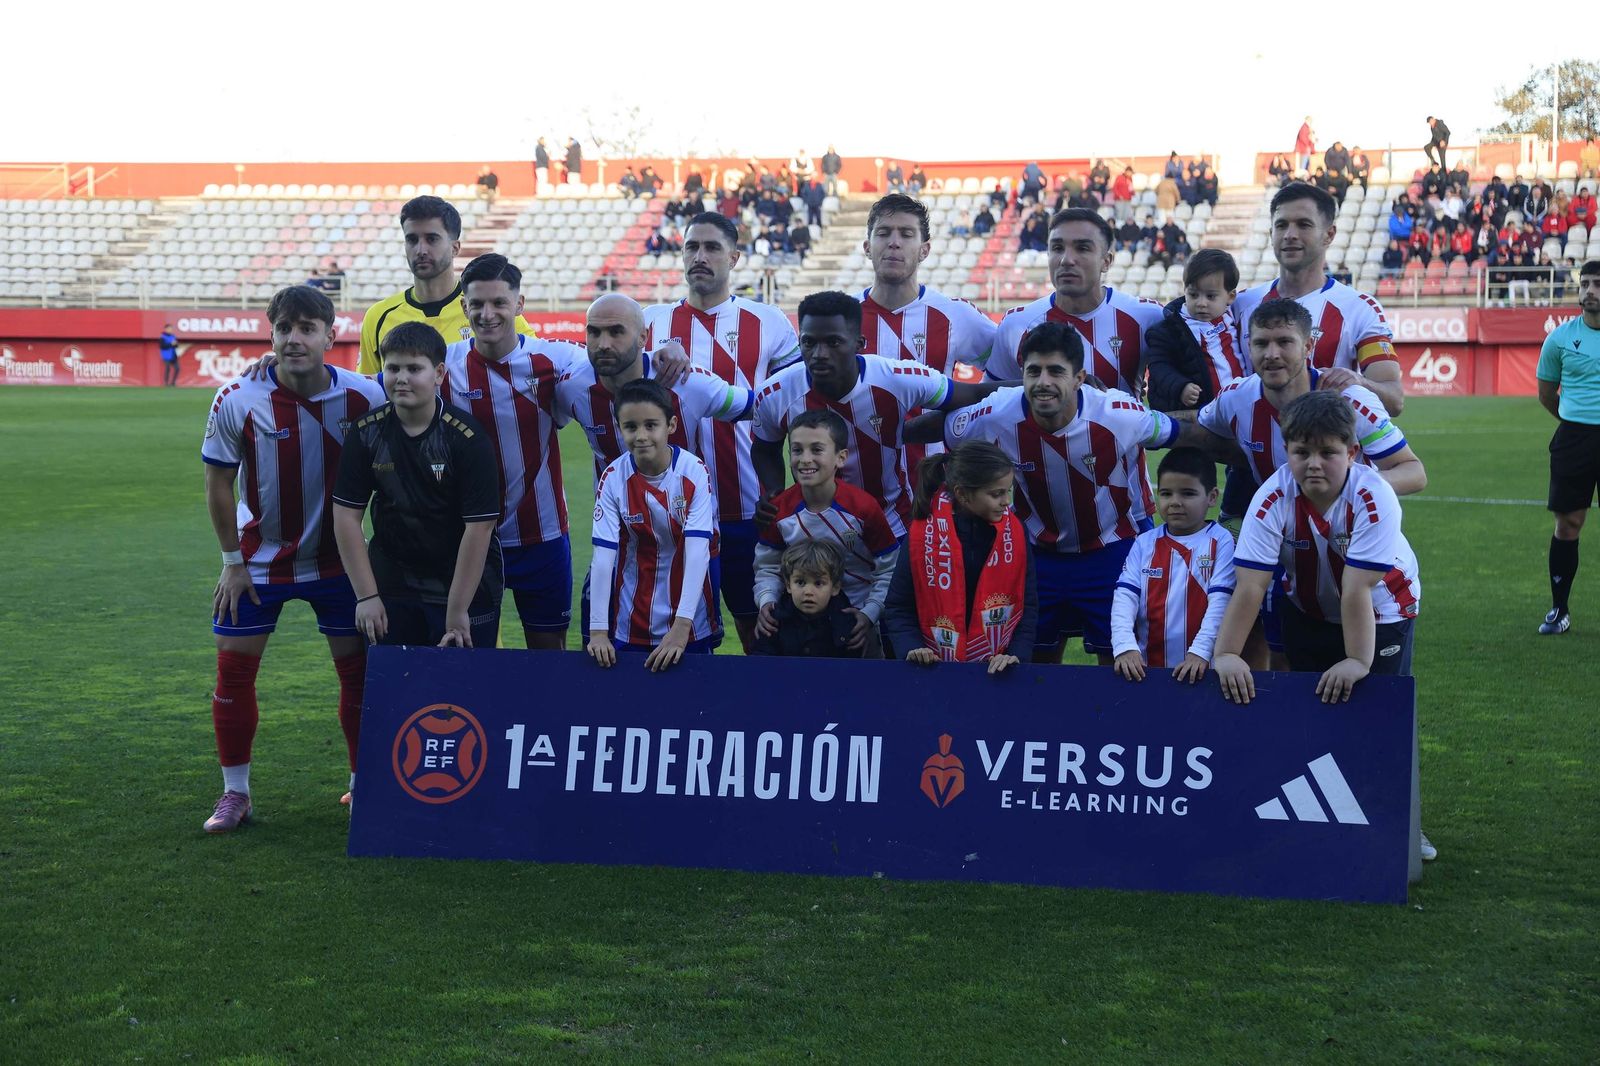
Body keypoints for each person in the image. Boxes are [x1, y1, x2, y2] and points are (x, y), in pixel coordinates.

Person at [1209, 390, 1431, 862]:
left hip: (1382, 612)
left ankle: (1401, 827)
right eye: (1301, 451)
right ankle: (1312, 817)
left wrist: (1356, 661)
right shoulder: (1271, 498)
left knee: (1377, 716)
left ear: (1352, 453)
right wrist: (1226, 653)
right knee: (1313, 711)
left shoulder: (1375, 496)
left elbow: (1357, 590)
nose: (1313, 463)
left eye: (1328, 452)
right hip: (1305, 606)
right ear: (1286, 451)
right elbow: (1250, 586)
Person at [199, 285, 388, 832]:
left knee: (357, 678)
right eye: (285, 328)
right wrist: (232, 560)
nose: (295, 339)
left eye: (308, 328)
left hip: (340, 564)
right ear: (271, 332)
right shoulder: (238, 397)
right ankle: (236, 794)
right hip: (258, 563)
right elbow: (217, 484)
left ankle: (363, 785)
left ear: (332, 335)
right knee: (232, 673)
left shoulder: (365, 397)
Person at [915, 323, 1181, 666]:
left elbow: (1182, 433)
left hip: (1111, 551)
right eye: (1033, 371)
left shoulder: (1118, 414)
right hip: (1036, 555)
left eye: (1056, 371)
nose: (1043, 382)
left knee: (1122, 665)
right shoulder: (996, 412)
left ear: (1079, 378)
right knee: (1028, 663)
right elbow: (944, 429)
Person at [640, 212, 803, 653]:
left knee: (761, 634)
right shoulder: (651, 324)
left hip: (750, 509)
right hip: (671, 513)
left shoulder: (769, 322)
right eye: (692, 247)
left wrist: (781, 489)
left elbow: (797, 408)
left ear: (734, 257)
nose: (700, 256)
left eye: (712, 248)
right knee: (682, 638)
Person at [751, 291, 1000, 539]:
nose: (819, 354)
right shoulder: (775, 393)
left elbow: (974, 393)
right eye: (809, 342)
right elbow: (765, 448)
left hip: (894, 527)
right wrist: (773, 491)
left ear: (859, 343)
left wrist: (1029, 391)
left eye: (833, 342)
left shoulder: (896, 378)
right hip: (816, 534)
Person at [332, 321, 503, 656]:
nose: (402, 378)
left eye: (414, 368)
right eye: (393, 368)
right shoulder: (366, 433)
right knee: (400, 697)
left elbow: (479, 528)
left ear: (438, 373)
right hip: (393, 587)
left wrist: (456, 611)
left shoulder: (466, 438)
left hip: (465, 590)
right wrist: (367, 596)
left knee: (466, 697)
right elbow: (346, 516)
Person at [438, 254, 582, 651]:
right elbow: (368, 387)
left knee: (549, 653)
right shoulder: (441, 365)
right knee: (471, 654)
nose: (487, 314)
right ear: (463, 306)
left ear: (519, 305)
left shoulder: (555, 359)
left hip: (544, 536)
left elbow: (618, 364)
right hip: (469, 542)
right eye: (477, 304)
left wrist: (662, 355)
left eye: (499, 303)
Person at [1231, 182, 1406, 416]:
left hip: (1323, 450)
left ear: (1329, 235)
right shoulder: (1241, 305)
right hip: (1253, 451)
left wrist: (1359, 382)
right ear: (1271, 233)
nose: (1290, 235)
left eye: (1304, 225)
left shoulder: (1359, 308)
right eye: (1281, 225)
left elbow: (1394, 400)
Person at [587, 379, 720, 670]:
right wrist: (598, 631)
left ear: (671, 425)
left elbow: (698, 552)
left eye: (651, 425)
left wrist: (682, 626)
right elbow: (603, 557)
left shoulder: (693, 472)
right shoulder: (612, 478)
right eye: (631, 427)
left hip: (690, 618)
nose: (641, 436)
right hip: (631, 617)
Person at [882, 440, 1036, 673]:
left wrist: (1016, 656)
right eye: (997, 494)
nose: (1006, 502)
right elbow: (898, 606)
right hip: (932, 671)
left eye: (1008, 492)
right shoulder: (921, 533)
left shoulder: (1016, 532)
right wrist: (912, 650)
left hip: (998, 672)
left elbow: (1028, 606)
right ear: (962, 495)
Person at [753, 409, 897, 657]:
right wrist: (767, 601)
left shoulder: (863, 508)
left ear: (841, 458)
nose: (805, 459)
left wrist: (869, 613)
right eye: (797, 450)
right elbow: (767, 566)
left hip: (856, 624)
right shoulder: (779, 510)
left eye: (817, 450)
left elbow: (888, 569)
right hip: (798, 622)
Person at [984, 207, 1166, 403]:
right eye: (1057, 248)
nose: (1066, 260)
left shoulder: (1149, 317)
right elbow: (991, 402)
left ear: (1106, 261)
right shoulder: (1016, 324)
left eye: (1082, 248)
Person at [357, 196, 533, 375]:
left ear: (455, 248)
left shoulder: (489, 311)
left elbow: (535, 370)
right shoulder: (378, 317)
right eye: (412, 240)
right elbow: (369, 393)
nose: (421, 250)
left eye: (432, 239)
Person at [1110, 448, 1236, 683]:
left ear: (1212, 497)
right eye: (1166, 493)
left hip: (1203, 669)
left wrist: (1200, 652)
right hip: (1146, 670)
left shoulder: (1221, 542)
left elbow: (1221, 602)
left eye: (1188, 494)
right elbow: (1124, 598)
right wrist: (1125, 645)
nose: (1175, 502)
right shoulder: (1145, 542)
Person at [1535, 260, 1600, 635]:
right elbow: (1546, 393)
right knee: (1568, 523)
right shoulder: (1559, 339)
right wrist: (1575, 420)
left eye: (1597, 284)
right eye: (1585, 283)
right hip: (1574, 439)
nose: (1590, 290)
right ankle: (1559, 609)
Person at [1145, 248, 1247, 414]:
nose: (1201, 303)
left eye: (1210, 296)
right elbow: (1159, 367)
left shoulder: (1237, 316)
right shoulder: (1168, 330)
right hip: (1200, 416)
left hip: (1241, 408)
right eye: (1193, 294)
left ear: (1230, 297)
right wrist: (1181, 386)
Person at [752, 541, 868, 659]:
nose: (808, 592)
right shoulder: (773, 621)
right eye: (800, 582)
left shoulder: (847, 624)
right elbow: (761, 662)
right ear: (788, 585)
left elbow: (852, 669)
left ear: (835, 588)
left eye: (818, 583)